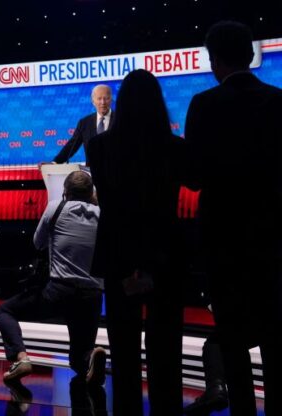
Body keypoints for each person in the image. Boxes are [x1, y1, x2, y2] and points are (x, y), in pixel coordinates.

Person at [184, 21, 282, 415]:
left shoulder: (205, 105)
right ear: (250, 55)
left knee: (233, 339)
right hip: (273, 237)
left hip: (223, 240)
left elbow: (192, 177)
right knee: (276, 333)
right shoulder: (278, 102)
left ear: (215, 60)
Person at [88, 69, 185, 416]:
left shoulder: (99, 147)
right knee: (166, 346)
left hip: (119, 253)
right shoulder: (174, 148)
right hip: (164, 253)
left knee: (123, 345)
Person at [0, 171, 106, 387]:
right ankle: (90, 357)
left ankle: (21, 358)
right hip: (92, 296)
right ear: (90, 192)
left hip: (59, 291)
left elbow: (38, 243)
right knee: (78, 359)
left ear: (65, 192)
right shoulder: (102, 214)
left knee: (5, 311)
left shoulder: (56, 207)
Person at [51, 85, 113, 165]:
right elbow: (71, 146)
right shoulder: (84, 123)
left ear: (111, 99)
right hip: (92, 173)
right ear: (93, 101)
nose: (103, 102)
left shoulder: (121, 120)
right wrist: (55, 162)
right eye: (99, 98)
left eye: (106, 98)